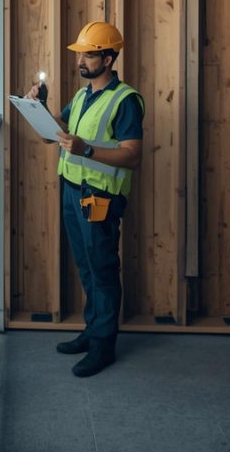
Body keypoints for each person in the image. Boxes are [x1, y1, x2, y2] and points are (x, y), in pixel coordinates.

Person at [25, 20, 143, 377]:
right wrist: (38, 108)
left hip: (100, 198)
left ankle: (103, 346)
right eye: (80, 55)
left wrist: (87, 149)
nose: (81, 61)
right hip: (73, 192)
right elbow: (53, 138)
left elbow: (133, 155)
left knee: (103, 268)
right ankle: (92, 332)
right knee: (87, 266)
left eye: (88, 55)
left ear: (108, 59)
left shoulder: (126, 101)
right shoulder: (81, 96)